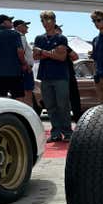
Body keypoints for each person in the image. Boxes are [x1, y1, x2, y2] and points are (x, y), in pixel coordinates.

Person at [33, 11, 72, 142]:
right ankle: (55, 132)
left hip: (60, 76)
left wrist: (43, 52)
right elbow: (35, 56)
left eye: (48, 20)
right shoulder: (39, 38)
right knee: (50, 106)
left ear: (54, 21)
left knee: (63, 105)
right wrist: (52, 53)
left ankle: (67, 132)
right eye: (43, 20)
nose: (46, 23)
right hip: (45, 76)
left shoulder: (61, 38)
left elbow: (62, 57)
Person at [0, 14, 28, 101]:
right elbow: (20, 51)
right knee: (18, 98)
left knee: (2, 99)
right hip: (15, 72)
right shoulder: (15, 34)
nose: (12, 23)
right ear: (4, 22)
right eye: (10, 21)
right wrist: (24, 63)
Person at [54, 25, 83, 121]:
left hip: (59, 75)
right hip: (66, 75)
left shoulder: (47, 45)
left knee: (62, 101)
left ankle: (64, 122)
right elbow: (75, 56)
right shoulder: (63, 45)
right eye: (59, 32)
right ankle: (76, 120)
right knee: (73, 99)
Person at [13, 19, 35, 107]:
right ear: (18, 27)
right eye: (25, 25)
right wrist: (26, 65)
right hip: (25, 68)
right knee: (27, 92)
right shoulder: (20, 36)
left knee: (23, 93)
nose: (27, 27)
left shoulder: (18, 36)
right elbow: (20, 52)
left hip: (22, 68)